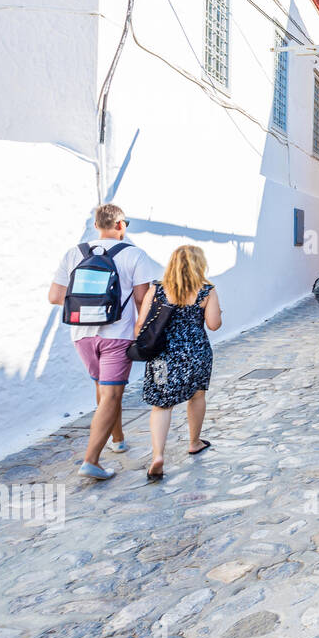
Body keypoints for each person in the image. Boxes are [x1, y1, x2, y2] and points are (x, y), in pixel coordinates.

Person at [49, 203, 161, 480]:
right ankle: (91, 460)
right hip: (116, 335)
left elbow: (54, 296)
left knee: (105, 389)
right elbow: (140, 299)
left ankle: (118, 438)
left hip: (81, 335)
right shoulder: (134, 254)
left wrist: (89, 303)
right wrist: (142, 330)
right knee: (112, 394)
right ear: (120, 225)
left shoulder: (74, 253)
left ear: (97, 225)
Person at [137, 245, 221, 481]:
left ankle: (157, 456)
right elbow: (214, 325)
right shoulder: (206, 291)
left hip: (163, 356)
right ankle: (194, 442)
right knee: (197, 396)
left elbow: (141, 325)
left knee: (162, 405)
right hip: (196, 354)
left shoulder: (157, 290)